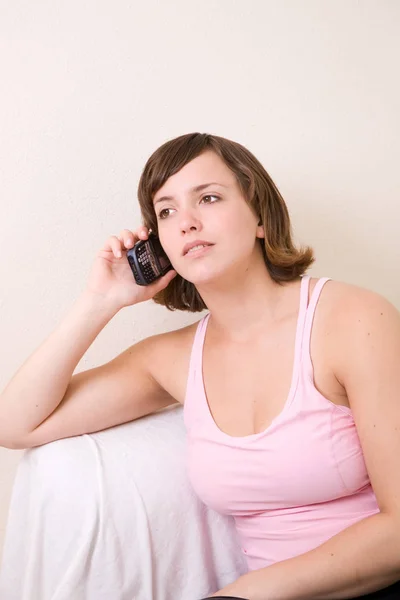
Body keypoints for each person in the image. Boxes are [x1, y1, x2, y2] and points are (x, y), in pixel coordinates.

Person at [0, 132, 399, 600]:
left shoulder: (354, 319)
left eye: (208, 198)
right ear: (159, 245)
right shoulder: (169, 360)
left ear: (259, 218)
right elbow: (17, 425)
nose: (186, 222)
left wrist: (243, 594)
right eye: (166, 211)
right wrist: (100, 300)